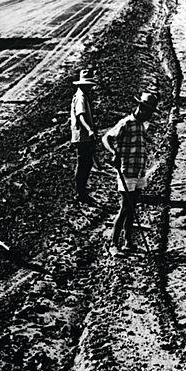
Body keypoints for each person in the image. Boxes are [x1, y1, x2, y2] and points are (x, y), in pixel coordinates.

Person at [102, 92, 158, 252]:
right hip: (126, 172)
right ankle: (114, 244)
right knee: (125, 207)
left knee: (133, 206)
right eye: (148, 112)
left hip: (139, 171)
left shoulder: (141, 125)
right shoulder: (126, 123)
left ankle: (128, 242)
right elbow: (106, 138)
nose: (149, 116)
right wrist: (114, 153)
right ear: (141, 108)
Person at [70, 69, 101, 203]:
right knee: (83, 164)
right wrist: (89, 129)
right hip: (82, 136)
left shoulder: (82, 95)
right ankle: (80, 193)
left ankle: (82, 192)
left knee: (86, 164)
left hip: (84, 136)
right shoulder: (81, 97)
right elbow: (80, 116)